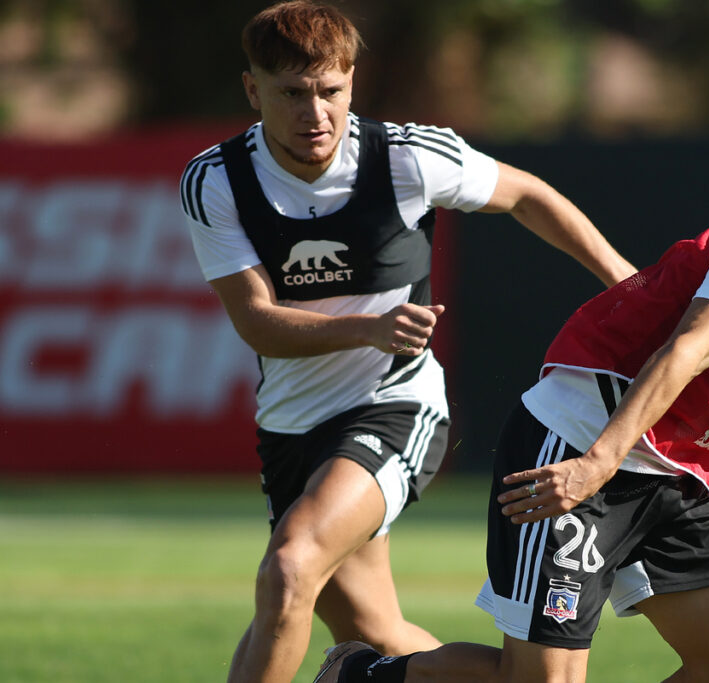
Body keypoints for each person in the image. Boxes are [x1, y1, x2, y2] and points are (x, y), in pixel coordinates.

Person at [321, 101, 709, 682]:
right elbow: (686, 350)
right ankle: (365, 676)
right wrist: (594, 467)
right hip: (578, 440)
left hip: (669, 477)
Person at [178, 2, 636, 682]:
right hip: (290, 430)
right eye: (292, 94)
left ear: (351, 83)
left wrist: (627, 284)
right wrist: (366, 326)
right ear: (253, 91)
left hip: (396, 406)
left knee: (290, 563)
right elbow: (255, 319)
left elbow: (526, 194)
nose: (315, 113)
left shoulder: (406, 157)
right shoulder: (217, 180)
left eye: (330, 90)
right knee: (378, 635)